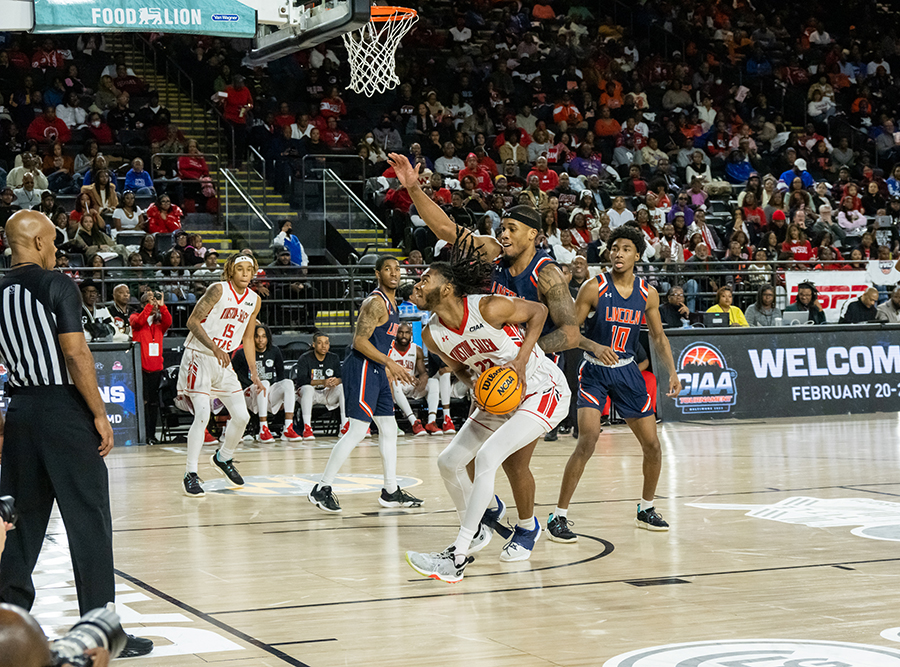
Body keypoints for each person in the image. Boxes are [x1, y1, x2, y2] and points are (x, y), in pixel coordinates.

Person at [388, 152, 580, 561]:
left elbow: (568, 332)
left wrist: (519, 360)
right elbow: (446, 228)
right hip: (490, 361)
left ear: (533, 235)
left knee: (511, 463)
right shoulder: (489, 254)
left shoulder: (545, 273)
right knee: (465, 461)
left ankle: (522, 528)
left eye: (512, 229)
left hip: (532, 371)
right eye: (502, 228)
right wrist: (414, 188)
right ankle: (484, 512)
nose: (503, 234)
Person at [0, 210, 152, 657]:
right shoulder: (56, 284)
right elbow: (75, 352)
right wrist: (100, 414)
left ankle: (8, 627)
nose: (55, 248)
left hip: (20, 410)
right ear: (38, 242)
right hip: (64, 412)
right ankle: (100, 632)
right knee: (89, 521)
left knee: (19, 525)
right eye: (52, 241)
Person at [404, 239, 570, 582]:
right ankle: (479, 526)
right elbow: (457, 367)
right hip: (500, 397)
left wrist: (521, 360)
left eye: (425, 279)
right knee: (448, 461)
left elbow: (539, 312)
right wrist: (474, 385)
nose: (417, 285)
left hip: (540, 388)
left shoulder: (488, 307)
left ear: (446, 289)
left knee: (488, 457)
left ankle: (458, 556)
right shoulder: (432, 334)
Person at [547, 226, 682, 543]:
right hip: (594, 370)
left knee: (653, 446)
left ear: (637, 255)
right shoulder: (593, 287)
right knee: (588, 439)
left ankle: (646, 509)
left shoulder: (648, 294)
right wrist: (594, 347)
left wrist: (672, 372)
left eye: (625, 249)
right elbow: (570, 333)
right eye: (615, 248)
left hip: (627, 371)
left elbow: (658, 337)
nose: (618, 254)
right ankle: (558, 515)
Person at [307, 256, 423, 513]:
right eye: (387, 269)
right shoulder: (375, 303)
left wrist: (387, 367)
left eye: (397, 269)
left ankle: (390, 491)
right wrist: (390, 362)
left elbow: (380, 342)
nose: (394, 273)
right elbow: (359, 341)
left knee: (389, 429)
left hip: (377, 369)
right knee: (358, 430)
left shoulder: (394, 305)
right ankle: (321, 488)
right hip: (361, 367)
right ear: (377, 273)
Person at [175, 253, 264, 497]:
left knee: (242, 416)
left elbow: (248, 337)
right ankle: (190, 473)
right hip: (200, 356)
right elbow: (192, 322)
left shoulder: (254, 300)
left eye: (249, 269)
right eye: (240, 268)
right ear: (231, 271)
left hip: (223, 362)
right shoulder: (218, 289)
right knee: (202, 415)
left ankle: (223, 457)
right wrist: (215, 347)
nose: (245, 273)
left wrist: (254, 372)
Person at [232, 322, 302, 442]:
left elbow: (281, 375)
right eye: (257, 336)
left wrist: (281, 398)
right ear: (252, 338)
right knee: (264, 383)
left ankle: (288, 428)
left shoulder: (274, 351)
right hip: (249, 393)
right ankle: (263, 428)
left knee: (288, 383)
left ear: (268, 338)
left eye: (263, 336)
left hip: (267, 393)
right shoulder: (241, 353)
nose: (260, 340)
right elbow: (233, 374)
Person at [130, 290, 171, 443]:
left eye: (154, 301)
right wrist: (148, 306)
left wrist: (162, 305)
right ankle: (141, 435)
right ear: (143, 304)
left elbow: (169, 321)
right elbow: (139, 322)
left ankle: (151, 435)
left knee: (153, 404)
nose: (154, 304)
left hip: (156, 369)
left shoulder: (159, 323)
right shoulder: (135, 317)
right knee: (142, 403)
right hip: (140, 369)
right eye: (150, 301)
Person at [293, 332, 346, 439]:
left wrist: (337, 380)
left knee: (342, 387)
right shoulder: (305, 358)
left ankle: (344, 426)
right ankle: (307, 428)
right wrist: (322, 382)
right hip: (310, 395)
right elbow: (301, 380)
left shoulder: (334, 358)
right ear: (314, 345)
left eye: (326, 343)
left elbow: (342, 377)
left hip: (327, 392)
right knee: (308, 388)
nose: (323, 346)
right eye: (320, 343)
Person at [388, 322, 433, 436]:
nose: (404, 335)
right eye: (401, 332)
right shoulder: (389, 349)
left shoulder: (416, 349)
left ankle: (432, 422)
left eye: (407, 333)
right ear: (396, 334)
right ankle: (414, 422)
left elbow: (423, 373)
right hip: (396, 386)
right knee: (395, 383)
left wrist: (423, 380)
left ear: (411, 334)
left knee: (434, 383)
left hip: (411, 384)